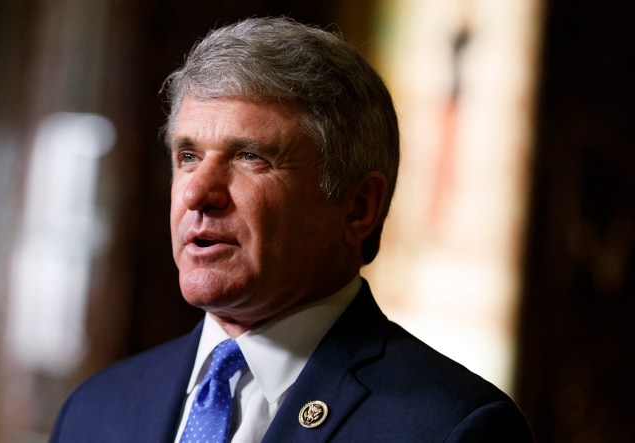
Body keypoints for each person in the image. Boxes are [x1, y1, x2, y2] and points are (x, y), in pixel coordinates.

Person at [49, 17, 533, 442]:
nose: (197, 193)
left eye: (250, 157)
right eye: (188, 156)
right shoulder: (95, 410)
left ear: (358, 207)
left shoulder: (451, 428)